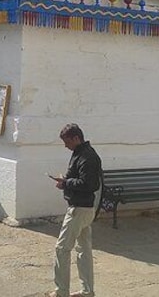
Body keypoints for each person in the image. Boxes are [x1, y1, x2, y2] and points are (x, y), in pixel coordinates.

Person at [47, 123, 102, 297]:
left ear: (76, 138)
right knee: (83, 249)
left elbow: (90, 184)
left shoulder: (87, 156)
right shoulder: (80, 154)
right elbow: (79, 178)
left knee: (62, 248)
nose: (65, 145)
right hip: (83, 208)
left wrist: (66, 183)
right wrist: (66, 181)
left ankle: (61, 291)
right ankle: (87, 291)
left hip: (79, 209)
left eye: (67, 141)